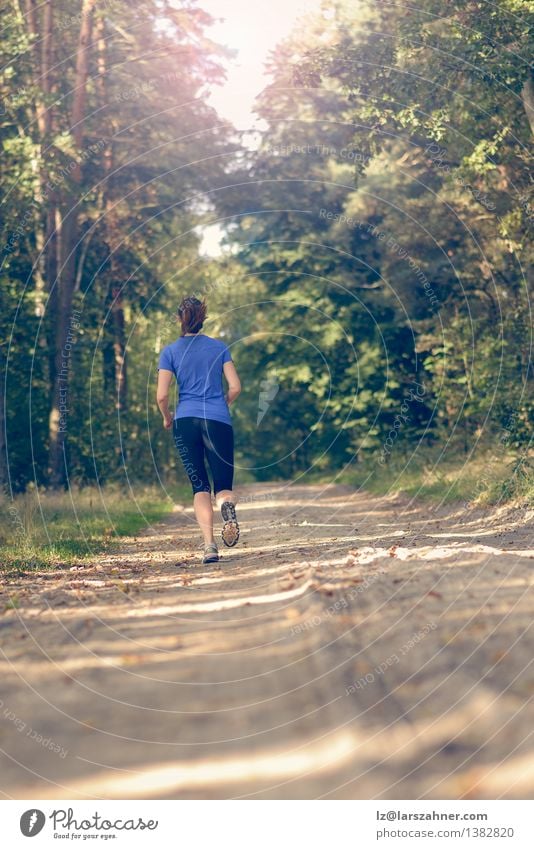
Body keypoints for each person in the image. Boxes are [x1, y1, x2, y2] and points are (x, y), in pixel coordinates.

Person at [156, 296, 241, 564]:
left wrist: (168, 417)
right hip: (218, 421)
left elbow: (161, 396)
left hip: (186, 423)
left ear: (180, 319)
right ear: (202, 319)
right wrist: (222, 404)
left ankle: (209, 546)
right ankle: (226, 505)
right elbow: (236, 387)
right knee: (223, 485)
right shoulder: (219, 347)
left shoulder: (170, 352)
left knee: (199, 486)